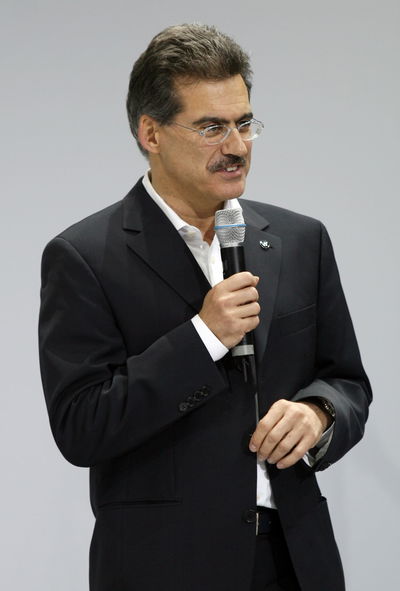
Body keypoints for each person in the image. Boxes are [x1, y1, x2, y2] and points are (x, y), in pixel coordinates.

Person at [39, 24, 372, 591]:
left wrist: (319, 414)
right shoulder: (85, 256)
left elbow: (348, 383)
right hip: (165, 567)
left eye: (245, 123)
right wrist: (203, 337)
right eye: (212, 127)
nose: (237, 146)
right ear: (151, 133)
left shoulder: (301, 239)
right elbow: (82, 428)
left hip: (296, 561)